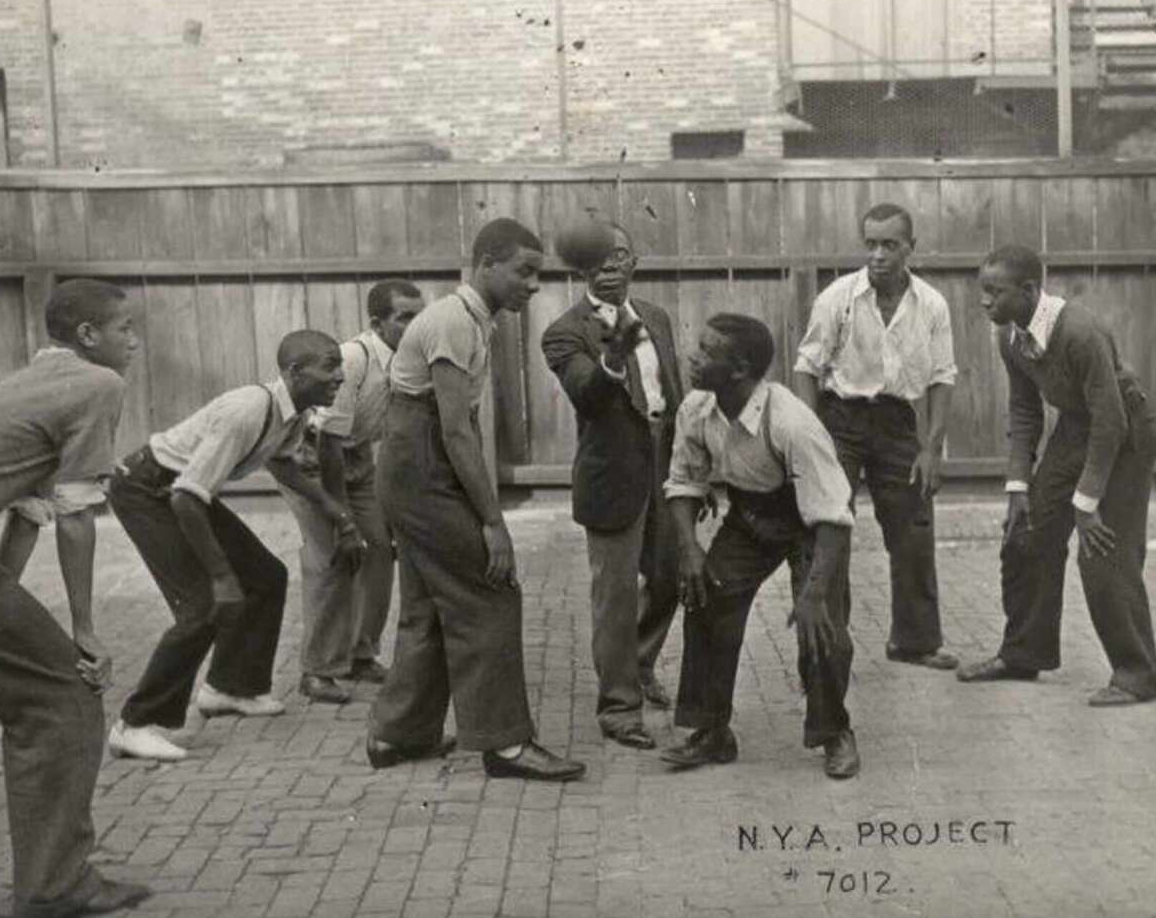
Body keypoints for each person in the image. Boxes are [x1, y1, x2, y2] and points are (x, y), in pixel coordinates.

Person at [0, 279, 150, 917]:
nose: (134, 341)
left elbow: (26, 515)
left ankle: (53, 877)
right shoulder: (99, 385)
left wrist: (2, 608)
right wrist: (85, 630)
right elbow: (74, 515)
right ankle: (56, 886)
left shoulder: (37, 378)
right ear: (90, 336)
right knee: (63, 696)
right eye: (125, 329)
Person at [368, 218, 585, 781]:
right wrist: (493, 522)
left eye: (537, 273)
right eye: (524, 271)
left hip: (415, 462)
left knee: (426, 604)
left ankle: (397, 735)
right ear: (486, 262)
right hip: (421, 468)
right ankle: (506, 745)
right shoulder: (451, 322)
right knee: (491, 591)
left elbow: (459, 427)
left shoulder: (472, 320)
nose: (533, 284)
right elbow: (456, 432)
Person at [106, 330, 357, 761]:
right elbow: (187, 498)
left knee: (267, 577)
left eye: (340, 366)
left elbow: (284, 466)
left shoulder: (295, 412)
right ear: (295, 372)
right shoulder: (249, 410)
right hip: (148, 489)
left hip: (180, 490)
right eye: (330, 366)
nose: (340, 376)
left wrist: (336, 511)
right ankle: (135, 724)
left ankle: (230, 687)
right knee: (204, 605)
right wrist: (221, 575)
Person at [660, 314, 860, 778]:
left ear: (740, 369)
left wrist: (813, 594)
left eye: (707, 351)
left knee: (821, 625)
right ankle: (711, 732)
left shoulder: (792, 422)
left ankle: (834, 732)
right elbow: (683, 482)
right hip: (750, 517)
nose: (693, 355)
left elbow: (833, 514)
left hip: (813, 524)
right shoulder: (695, 408)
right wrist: (689, 549)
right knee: (706, 599)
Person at [958, 245, 1156, 705]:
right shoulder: (1011, 337)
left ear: (1029, 290)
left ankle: (1138, 672)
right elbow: (1025, 410)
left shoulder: (1080, 332)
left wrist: (1086, 504)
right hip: (1077, 426)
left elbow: (1111, 422)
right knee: (1025, 535)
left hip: (1126, 432)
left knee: (1102, 550)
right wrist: (1018, 487)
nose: (984, 302)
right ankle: (1023, 654)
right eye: (982, 291)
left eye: (995, 292)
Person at [793, 202, 959, 671]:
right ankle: (827, 644)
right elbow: (807, 367)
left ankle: (915, 640)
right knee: (830, 529)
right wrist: (812, 436)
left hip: (898, 423)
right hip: (839, 421)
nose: (879, 255)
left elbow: (942, 377)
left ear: (911, 247)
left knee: (914, 529)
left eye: (890, 244)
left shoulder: (931, 304)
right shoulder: (838, 298)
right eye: (871, 244)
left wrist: (931, 448)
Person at [540, 221, 683, 750]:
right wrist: (615, 358)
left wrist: (696, 471)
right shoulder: (564, 331)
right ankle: (620, 709)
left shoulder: (657, 317)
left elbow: (677, 395)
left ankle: (639, 665)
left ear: (633, 261)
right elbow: (587, 394)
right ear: (581, 269)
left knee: (671, 577)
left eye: (619, 256)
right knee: (615, 597)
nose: (610, 267)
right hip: (612, 478)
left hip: (667, 471)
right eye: (599, 260)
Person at [280, 280, 426, 704]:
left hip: (356, 455)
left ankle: (362, 654)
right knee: (333, 557)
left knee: (379, 547)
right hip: (312, 460)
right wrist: (342, 520)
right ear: (377, 323)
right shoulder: (352, 359)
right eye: (404, 317)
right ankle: (318, 670)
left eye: (420, 315)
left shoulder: (408, 357)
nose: (415, 325)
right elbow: (326, 442)